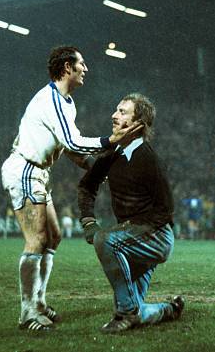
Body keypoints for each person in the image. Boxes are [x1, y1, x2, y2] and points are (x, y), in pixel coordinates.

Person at [1, 46, 139, 331]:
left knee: (54, 236)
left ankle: (38, 303)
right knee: (37, 239)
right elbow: (75, 142)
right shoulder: (50, 99)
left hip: (38, 172)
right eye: (81, 63)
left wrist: (96, 169)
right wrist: (110, 140)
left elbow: (70, 149)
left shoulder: (67, 103)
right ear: (67, 68)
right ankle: (28, 312)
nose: (86, 69)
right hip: (25, 169)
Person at [78, 93, 184, 334]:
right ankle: (169, 310)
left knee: (105, 240)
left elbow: (165, 210)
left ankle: (126, 314)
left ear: (138, 124)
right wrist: (88, 221)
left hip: (155, 236)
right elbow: (86, 186)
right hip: (131, 238)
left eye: (123, 112)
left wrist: (129, 231)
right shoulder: (112, 154)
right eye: (116, 110)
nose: (114, 115)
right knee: (133, 304)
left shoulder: (149, 159)